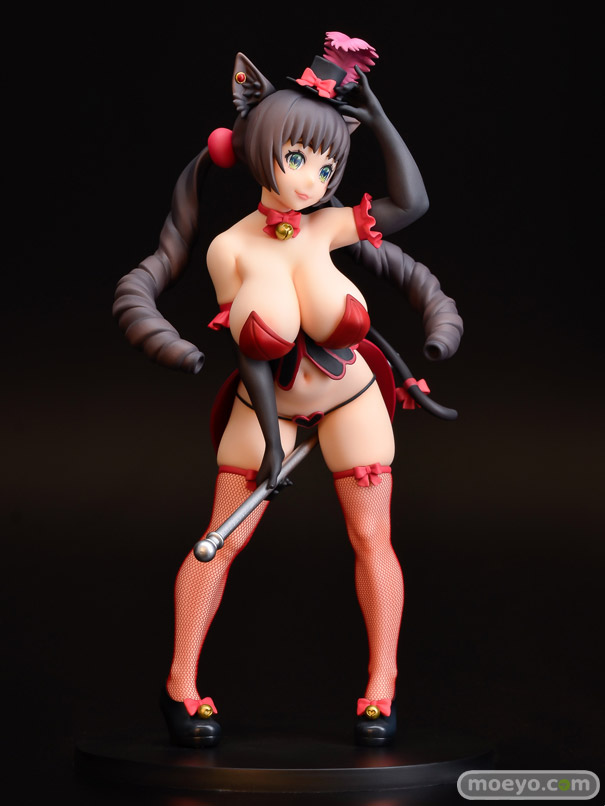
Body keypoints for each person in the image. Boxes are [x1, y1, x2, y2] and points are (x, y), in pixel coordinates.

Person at [113, 32, 463, 749]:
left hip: (350, 398)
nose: (311, 179)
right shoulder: (230, 248)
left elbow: (413, 201)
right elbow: (250, 353)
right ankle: (180, 683)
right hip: (264, 403)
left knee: (371, 537)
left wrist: (376, 113)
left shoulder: (329, 225)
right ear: (255, 149)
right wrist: (273, 445)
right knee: (220, 542)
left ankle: (381, 688)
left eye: (326, 163)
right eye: (296, 158)